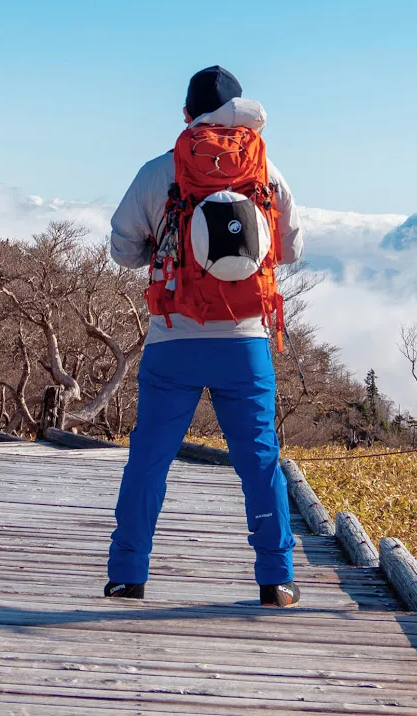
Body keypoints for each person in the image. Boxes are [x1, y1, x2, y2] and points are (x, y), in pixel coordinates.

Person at [105, 66, 304, 607]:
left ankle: (128, 575)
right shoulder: (265, 168)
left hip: (173, 338)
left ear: (188, 115)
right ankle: (276, 579)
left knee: (149, 457)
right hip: (246, 340)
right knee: (260, 459)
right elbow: (289, 249)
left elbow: (122, 249)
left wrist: (163, 250)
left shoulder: (157, 171)